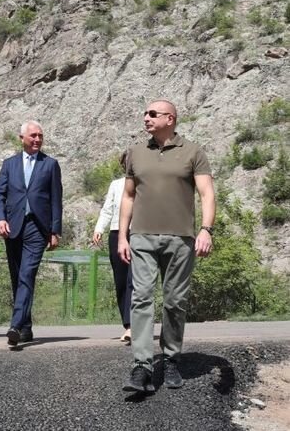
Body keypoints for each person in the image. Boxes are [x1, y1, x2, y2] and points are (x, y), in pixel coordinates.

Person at [118, 100, 215, 393]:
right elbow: (128, 197)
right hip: (142, 237)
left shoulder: (193, 152)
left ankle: (171, 358)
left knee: (174, 302)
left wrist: (206, 230)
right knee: (141, 298)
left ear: (170, 118)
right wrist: (123, 235)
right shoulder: (135, 152)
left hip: (181, 239)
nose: (145, 118)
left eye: (152, 114)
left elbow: (207, 193)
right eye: (145, 113)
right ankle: (142, 366)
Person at [0, 120, 62, 347]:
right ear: (21, 138)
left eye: (40, 136)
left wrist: (55, 231)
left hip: (37, 228)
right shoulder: (9, 164)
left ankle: (14, 325)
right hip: (13, 227)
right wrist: (0, 218)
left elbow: (55, 200)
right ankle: (26, 327)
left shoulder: (50, 165)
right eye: (33, 135)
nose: (37, 140)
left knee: (27, 275)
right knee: (17, 278)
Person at [92, 152, 133, 343]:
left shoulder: (146, 184)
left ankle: (134, 325)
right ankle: (127, 323)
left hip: (140, 234)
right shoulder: (116, 185)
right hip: (117, 233)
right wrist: (99, 228)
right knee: (121, 280)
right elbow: (108, 209)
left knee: (136, 280)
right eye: (127, 162)